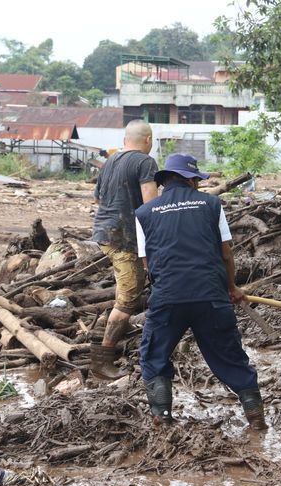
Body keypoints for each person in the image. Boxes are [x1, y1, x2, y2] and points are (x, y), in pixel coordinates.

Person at [134, 153, 266, 429]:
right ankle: (254, 415)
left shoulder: (144, 213)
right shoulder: (211, 204)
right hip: (210, 296)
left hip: (168, 298)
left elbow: (148, 263)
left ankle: (163, 419)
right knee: (229, 355)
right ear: (191, 180)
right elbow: (226, 254)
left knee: (154, 355)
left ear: (165, 181)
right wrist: (231, 288)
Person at [90, 120, 159, 380]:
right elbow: (151, 205)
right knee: (129, 297)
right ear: (148, 140)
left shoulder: (109, 161)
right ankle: (102, 361)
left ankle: (121, 339)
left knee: (129, 286)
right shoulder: (145, 162)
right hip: (124, 237)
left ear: (125, 140)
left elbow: (97, 198)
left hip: (104, 233)